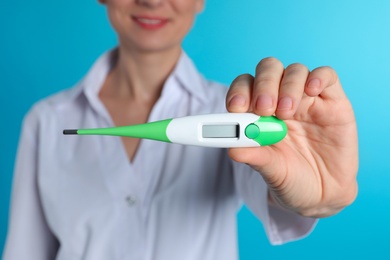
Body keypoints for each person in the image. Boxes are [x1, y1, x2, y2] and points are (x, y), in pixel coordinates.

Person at [3, 0, 358, 259]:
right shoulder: (46, 121)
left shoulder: (238, 114)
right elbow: (25, 251)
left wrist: (320, 197)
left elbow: (276, 192)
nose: (152, 1)